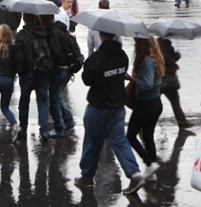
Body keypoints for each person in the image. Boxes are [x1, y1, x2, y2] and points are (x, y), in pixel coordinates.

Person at [73, 30, 146, 195]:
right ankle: (134, 174)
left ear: (101, 35)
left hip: (98, 107)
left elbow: (87, 80)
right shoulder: (122, 56)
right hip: (117, 106)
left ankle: (87, 176)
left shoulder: (96, 58)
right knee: (120, 141)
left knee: (92, 142)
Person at [14, 13, 63, 140]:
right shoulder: (44, 33)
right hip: (43, 72)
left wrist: (19, 72)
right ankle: (44, 130)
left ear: (24, 19)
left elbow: (18, 57)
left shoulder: (21, 35)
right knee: (42, 101)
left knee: (24, 101)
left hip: (27, 73)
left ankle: (23, 128)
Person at [126, 35, 165, 182]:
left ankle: (149, 162)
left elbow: (147, 83)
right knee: (148, 135)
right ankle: (151, 171)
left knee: (130, 135)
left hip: (146, 103)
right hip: (155, 102)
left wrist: (134, 80)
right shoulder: (154, 57)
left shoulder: (146, 60)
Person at [45, 13, 79, 134]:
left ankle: (59, 129)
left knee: (53, 99)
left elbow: (56, 53)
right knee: (57, 94)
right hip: (69, 68)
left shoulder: (53, 33)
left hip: (61, 69)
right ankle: (69, 120)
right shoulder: (62, 30)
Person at [156, 37, 193, 128]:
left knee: (154, 101)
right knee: (175, 100)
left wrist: (174, 64)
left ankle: (144, 121)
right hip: (168, 78)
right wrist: (177, 56)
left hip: (160, 77)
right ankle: (182, 122)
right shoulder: (164, 45)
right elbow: (167, 60)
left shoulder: (157, 43)